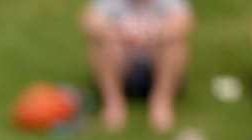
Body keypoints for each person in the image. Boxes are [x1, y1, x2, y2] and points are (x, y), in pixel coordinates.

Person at [79, 0, 194, 132]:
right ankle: (113, 103)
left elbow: (183, 22)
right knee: (103, 44)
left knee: (174, 44)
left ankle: (161, 102)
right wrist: (119, 35)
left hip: (157, 69)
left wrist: (152, 36)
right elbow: (90, 22)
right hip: (121, 69)